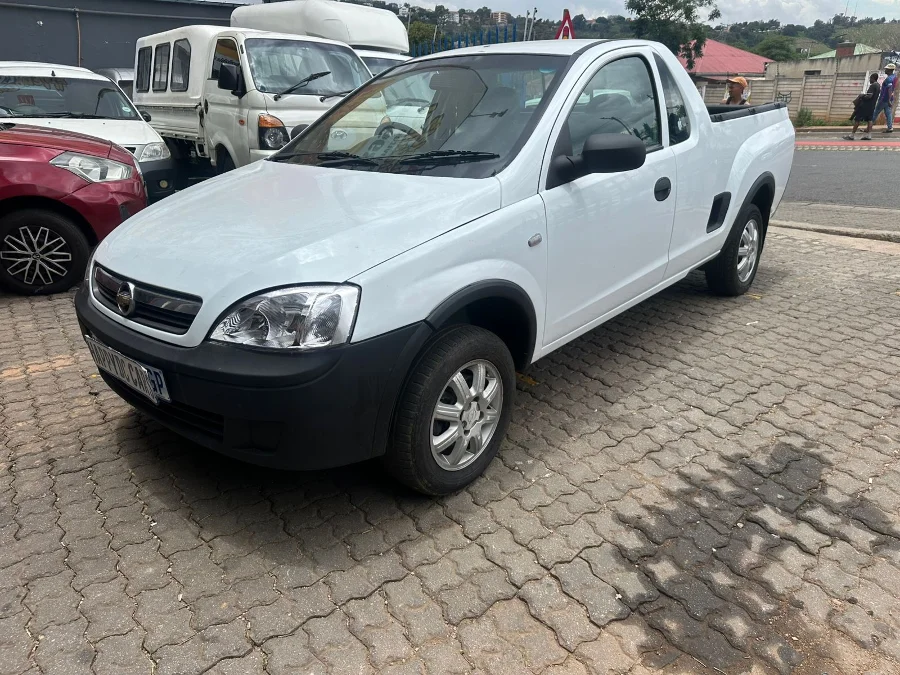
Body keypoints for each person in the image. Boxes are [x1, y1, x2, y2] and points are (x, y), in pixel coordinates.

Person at [845, 72, 881, 141]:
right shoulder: (878, 86)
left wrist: (862, 96)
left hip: (865, 106)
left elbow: (869, 96)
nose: (870, 80)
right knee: (870, 120)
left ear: (872, 78)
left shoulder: (873, 85)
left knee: (857, 119)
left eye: (870, 79)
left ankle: (852, 135)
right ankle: (869, 135)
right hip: (872, 106)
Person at [872, 63, 896, 133]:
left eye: (886, 69)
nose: (885, 70)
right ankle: (890, 127)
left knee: (876, 112)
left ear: (889, 70)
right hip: (889, 99)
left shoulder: (889, 79)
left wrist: (888, 100)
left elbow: (890, 88)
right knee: (888, 113)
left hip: (884, 99)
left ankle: (869, 126)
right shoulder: (894, 77)